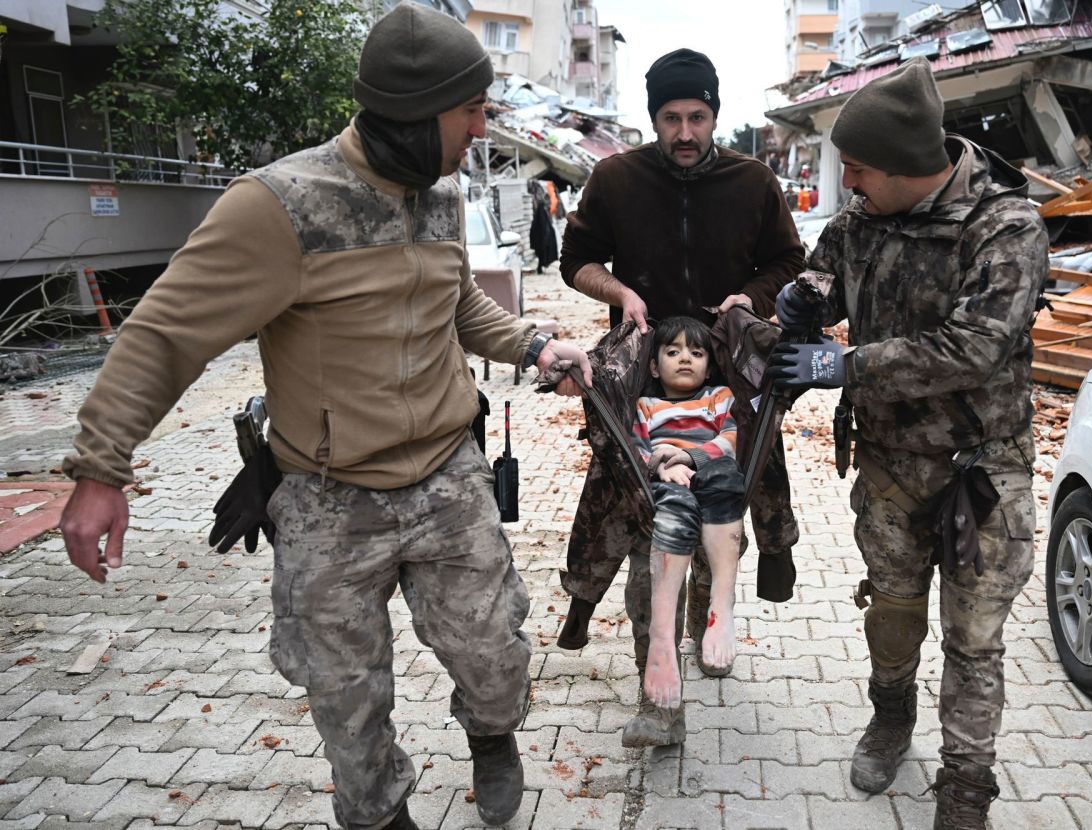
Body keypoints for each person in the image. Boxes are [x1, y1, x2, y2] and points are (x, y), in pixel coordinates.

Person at [57, 4, 593, 829]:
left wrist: (532, 345)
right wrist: (101, 469)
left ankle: (492, 738)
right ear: (417, 117)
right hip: (329, 500)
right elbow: (165, 335)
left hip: (450, 478)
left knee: (496, 656)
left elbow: (458, 308)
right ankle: (379, 814)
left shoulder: (441, 194)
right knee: (345, 695)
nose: (483, 126)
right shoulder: (280, 205)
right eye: (472, 110)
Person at [768, 57, 1048, 829]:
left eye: (856, 169)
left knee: (975, 635)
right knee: (892, 608)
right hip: (889, 463)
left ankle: (965, 787)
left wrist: (847, 363)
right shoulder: (861, 220)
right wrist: (804, 300)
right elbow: (827, 275)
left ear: (903, 166)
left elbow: (975, 348)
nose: (848, 183)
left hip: (980, 472)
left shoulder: (1004, 228)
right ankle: (891, 717)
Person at [556, 47, 805, 747]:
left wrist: (748, 299)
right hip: (645, 386)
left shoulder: (753, 181)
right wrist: (621, 292)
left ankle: (729, 602)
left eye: (697, 116)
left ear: (715, 115)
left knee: (729, 506)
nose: (686, 132)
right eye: (672, 118)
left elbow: (790, 261)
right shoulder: (616, 179)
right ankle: (658, 701)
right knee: (652, 533)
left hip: (729, 381)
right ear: (654, 119)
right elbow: (575, 260)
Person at [630, 317, 743, 724]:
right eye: (673, 352)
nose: (685, 359)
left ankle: (720, 605)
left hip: (709, 470)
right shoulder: (645, 405)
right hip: (669, 481)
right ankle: (663, 636)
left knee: (727, 481)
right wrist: (662, 466)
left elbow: (730, 440)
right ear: (655, 366)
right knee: (674, 511)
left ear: (709, 366)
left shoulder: (719, 397)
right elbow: (638, 449)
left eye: (696, 353)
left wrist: (691, 457)